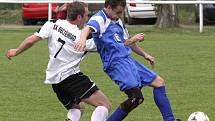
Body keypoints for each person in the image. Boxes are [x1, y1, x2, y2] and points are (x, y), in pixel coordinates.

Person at [75, 0, 181, 121]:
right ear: (108, 7)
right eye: (118, 12)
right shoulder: (100, 19)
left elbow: (126, 42)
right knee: (135, 98)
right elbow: (86, 29)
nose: (119, 15)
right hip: (116, 64)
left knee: (159, 82)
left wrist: (145, 55)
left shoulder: (118, 22)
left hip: (127, 60)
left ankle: (170, 120)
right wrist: (82, 40)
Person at [6, 2, 111, 121]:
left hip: (55, 79)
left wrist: (16, 51)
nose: (88, 19)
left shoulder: (53, 23)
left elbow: (32, 40)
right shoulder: (82, 38)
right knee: (104, 105)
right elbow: (107, 46)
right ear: (79, 17)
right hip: (72, 78)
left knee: (78, 108)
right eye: (87, 15)